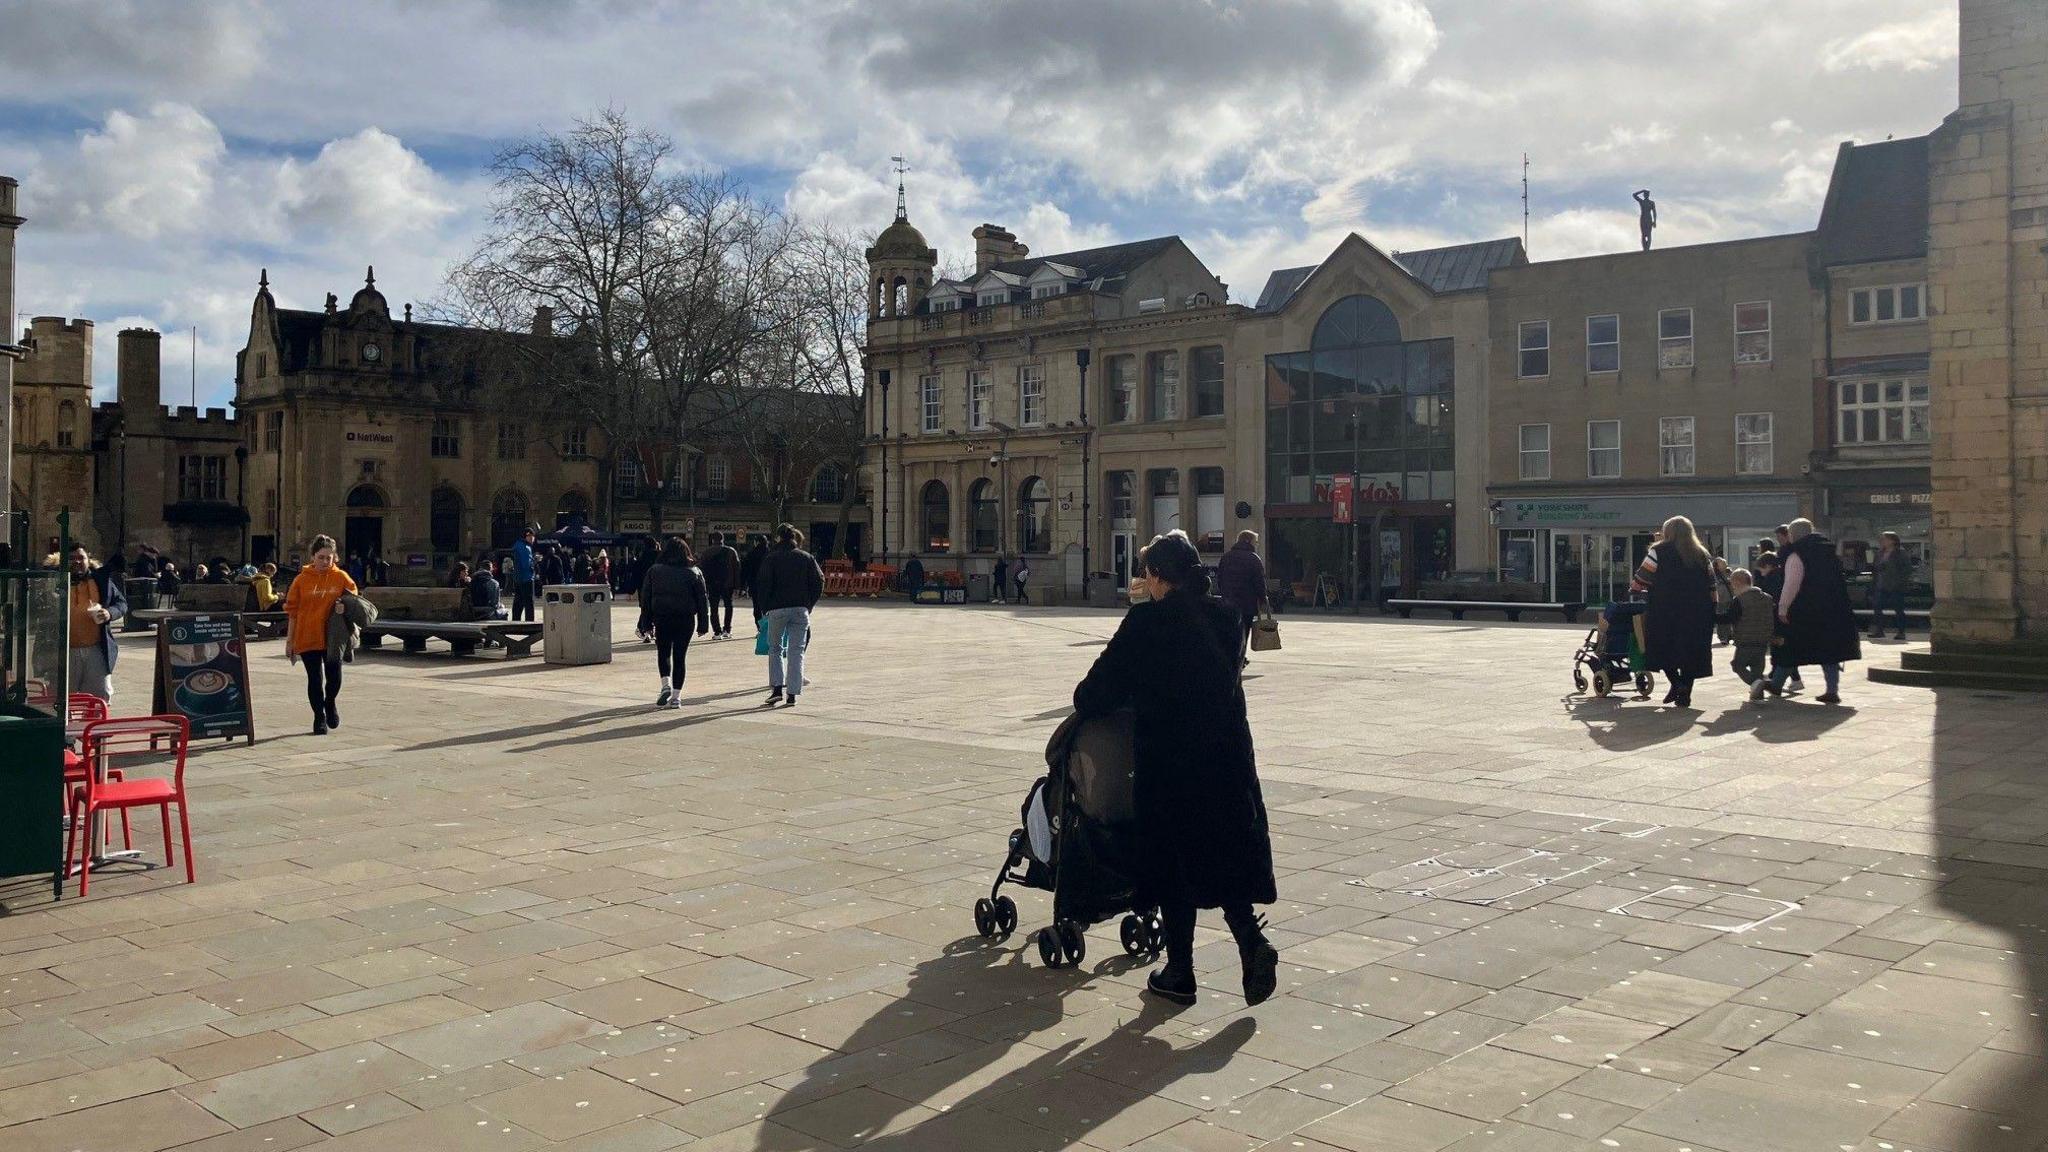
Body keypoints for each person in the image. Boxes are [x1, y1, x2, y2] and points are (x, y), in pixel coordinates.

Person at [1072, 529, 1278, 1008]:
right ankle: (1251, 942)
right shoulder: (1227, 618)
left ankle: (1181, 971)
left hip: (1171, 762)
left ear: (1157, 577)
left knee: (1172, 860)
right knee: (1221, 850)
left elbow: (1095, 691)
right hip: (1226, 759)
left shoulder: (1147, 625)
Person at [1761, 517, 1860, 705]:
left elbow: (1792, 583)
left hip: (1804, 609)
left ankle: (1776, 683)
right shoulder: (1828, 551)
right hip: (1832, 607)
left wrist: (1783, 607)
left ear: (1793, 534)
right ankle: (1832, 690)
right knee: (1829, 649)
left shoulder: (1796, 554)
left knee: (1790, 646)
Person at [1633, 515, 1716, 708]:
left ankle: (1677, 684)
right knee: (1691, 653)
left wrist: (1635, 590)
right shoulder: (1702, 554)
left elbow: (1641, 579)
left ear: (1668, 532)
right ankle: (1685, 693)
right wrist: (1712, 609)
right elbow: (1712, 584)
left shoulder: (1658, 551)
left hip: (1665, 611)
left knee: (1663, 649)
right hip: (1697, 612)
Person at [284, 534, 359, 735]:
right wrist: (290, 640)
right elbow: (292, 611)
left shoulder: (341, 577)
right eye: (321, 557)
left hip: (333, 637)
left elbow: (355, 601)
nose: (325, 561)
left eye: (329, 557)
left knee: (334, 677)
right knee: (315, 679)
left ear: (335, 558)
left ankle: (330, 702)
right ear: (313, 557)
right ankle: (319, 717)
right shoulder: (301, 580)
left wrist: (345, 607)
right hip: (307, 634)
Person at [751, 524, 823, 707]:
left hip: (777, 608)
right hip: (800, 609)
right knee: (796, 651)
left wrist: (765, 606)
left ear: (778, 538)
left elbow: (763, 583)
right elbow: (819, 580)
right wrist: (809, 603)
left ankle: (776, 689)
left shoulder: (771, 558)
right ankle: (792, 694)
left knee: (775, 648)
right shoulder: (806, 558)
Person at [637, 537, 711, 708]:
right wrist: (703, 624)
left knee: (663, 653)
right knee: (680, 657)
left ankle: (665, 685)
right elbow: (702, 599)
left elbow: (645, 599)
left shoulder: (654, 571)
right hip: (685, 619)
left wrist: (646, 623)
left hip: (662, 617)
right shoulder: (694, 571)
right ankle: (676, 697)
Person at [66, 546, 128, 705]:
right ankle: (68, 729)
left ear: (88, 560)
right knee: (64, 699)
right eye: (72, 558)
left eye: (81, 558)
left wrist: (110, 613)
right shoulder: (54, 582)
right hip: (64, 652)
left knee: (100, 696)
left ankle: (94, 729)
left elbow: (121, 604)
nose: (77, 561)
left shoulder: (101, 580)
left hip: (95, 649)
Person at [1752, 550, 1803, 695]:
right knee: (1785, 650)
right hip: (1788, 617)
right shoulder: (1785, 575)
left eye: (1762, 570)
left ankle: (1776, 681)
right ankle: (1779, 679)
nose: (1761, 574)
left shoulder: (1771, 580)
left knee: (1781, 649)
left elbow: (1767, 601)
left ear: (1768, 566)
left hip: (1777, 620)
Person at [1216, 530, 1267, 664]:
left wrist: (1225, 594)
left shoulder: (1226, 557)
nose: (1256, 544)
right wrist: (1263, 600)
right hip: (1246, 604)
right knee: (1244, 632)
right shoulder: (1253, 559)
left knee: (1230, 631)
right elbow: (1259, 582)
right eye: (1255, 541)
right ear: (1249, 541)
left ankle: (1230, 656)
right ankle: (1240, 658)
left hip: (1228, 602)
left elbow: (1219, 579)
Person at [1726, 567, 1777, 700]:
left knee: (1738, 665)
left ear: (1737, 583)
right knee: (1757, 669)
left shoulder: (1739, 600)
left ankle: (1756, 684)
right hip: (1763, 641)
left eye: (1732, 583)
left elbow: (1729, 618)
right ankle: (1758, 696)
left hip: (1745, 640)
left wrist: (1710, 616)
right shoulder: (1767, 598)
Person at [1869, 531, 1912, 640]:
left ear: (1892, 540)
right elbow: (1875, 567)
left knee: (1898, 609)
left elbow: (1906, 570)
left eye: (1885, 539)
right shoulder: (1880, 553)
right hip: (1881, 584)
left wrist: (1901, 582)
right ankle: (1879, 630)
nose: (1882, 541)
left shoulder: (1900, 553)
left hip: (1896, 586)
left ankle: (1901, 632)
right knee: (1877, 607)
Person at [700, 532, 741, 639]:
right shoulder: (731, 551)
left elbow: (702, 569)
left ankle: (717, 632)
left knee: (713, 608)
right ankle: (727, 629)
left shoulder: (706, 552)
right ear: (723, 539)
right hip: (727, 583)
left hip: (712, 583)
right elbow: (737, 569)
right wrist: (737, 585)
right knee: (728, 606)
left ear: (712, 540)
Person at [510, 528, 537, 622]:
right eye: (533, 536)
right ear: (528, 536)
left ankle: (515, 621)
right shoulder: (526, 547)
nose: (533, 539)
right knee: (529, 603)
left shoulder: (517, 545)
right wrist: (534, 565)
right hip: (527, 578)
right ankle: (530, 623)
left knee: (518, 602)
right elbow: (527, 563)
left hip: (518, 578)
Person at [740, 536, 769, 600]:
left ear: (757, 542)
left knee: (756, 605)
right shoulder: (770, 553)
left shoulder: (751, 554)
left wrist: (742, 586)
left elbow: (745, 571)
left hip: (754, 583)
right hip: (768, 584)